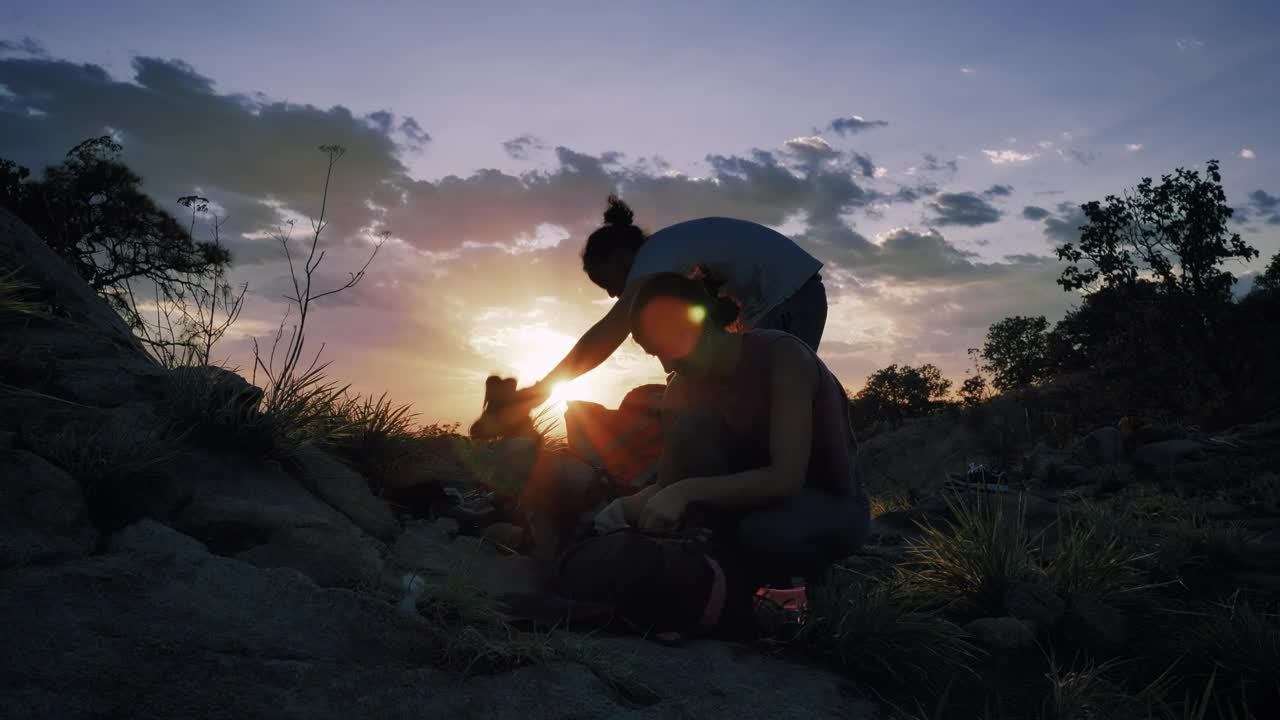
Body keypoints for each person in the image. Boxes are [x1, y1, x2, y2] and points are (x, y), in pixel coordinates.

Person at [595, 272, 870, 588]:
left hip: (832, 501)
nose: (668, 364)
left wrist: (684, 493)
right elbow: (671, 483)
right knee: (699, 522)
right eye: (656, 353)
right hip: (748, 501)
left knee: (763, 533)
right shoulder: (682, 388)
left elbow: (785, 479)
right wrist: (625, 508)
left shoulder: (783, 357)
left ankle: (819, 587)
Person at [525, 195, 828, 404]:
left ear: (619, 257)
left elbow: (609, 331)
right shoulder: (672, 257)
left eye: (605, 281)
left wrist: (542, 389)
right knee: (754, 398)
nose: (611, 293)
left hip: (789, 299)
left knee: (774, 402)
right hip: (791, 297)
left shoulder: (652, 259)